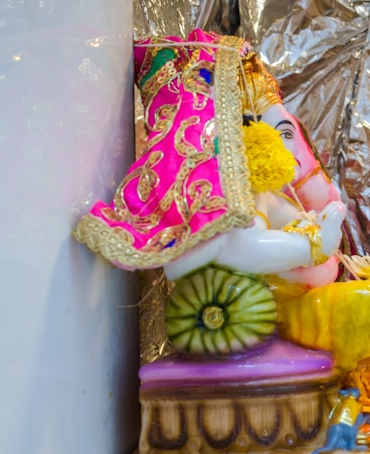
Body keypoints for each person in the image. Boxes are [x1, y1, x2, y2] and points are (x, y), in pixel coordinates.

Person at [75, 29, 345, 289]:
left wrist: (314, 236)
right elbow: (239, 248)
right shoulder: (206, 196)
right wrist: (313, 247)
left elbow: (316, 261)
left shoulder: (258, 192)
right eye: (244, 122)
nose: (265, 137)